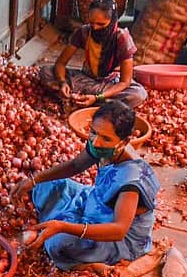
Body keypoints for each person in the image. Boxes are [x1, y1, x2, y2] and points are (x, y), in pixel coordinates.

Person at [10, 101, 160, 268]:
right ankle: (57, 222)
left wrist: (63, 227)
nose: (96, 142)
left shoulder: (131, 179)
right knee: (43, 186)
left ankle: (81, 254)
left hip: (118, 237)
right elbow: (75, 166)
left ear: (124, 142)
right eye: (93, 132)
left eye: (106, 138)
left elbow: (119, 230)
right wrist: (33, 180)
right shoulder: (102, 147)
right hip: (96, 200)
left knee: (57, 244)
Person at [40, 0, 147, 109]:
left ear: (112, 21)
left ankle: (85, 99)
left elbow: (124, 82)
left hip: (109, 83)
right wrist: (62, 82)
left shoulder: (122, 38)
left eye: (101, 24)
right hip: (85, 79)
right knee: (46, 72)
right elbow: (60, 63)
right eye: (92, 23)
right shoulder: (84, 32)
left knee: (138, 94)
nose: (95, 28)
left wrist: (98, 97)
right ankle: (97, 103)